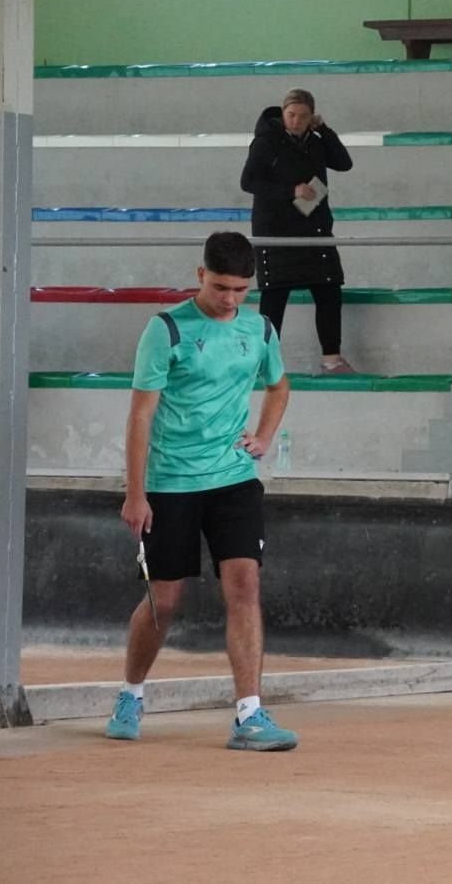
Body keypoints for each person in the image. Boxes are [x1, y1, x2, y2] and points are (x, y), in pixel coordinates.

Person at [106, 231, 298, 751]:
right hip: (170, 483)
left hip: (234, 478)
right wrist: (136, 494)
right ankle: (131, 693)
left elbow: (279, 385)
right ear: (200, 276)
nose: (230, 299)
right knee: (165, 600)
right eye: (221, 287)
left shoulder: (260, 328)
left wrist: (264, 437)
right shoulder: (165, 330)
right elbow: (140, 415)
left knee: (245, 584)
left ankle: (249, 714)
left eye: (240, 289)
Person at [240, 87, 356, 374]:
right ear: (283, 113)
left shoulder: (316, 142)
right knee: (274, 298)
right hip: (276, 232)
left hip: (314, 229)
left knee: (329, 291)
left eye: (303, 116)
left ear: (311, 116)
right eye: (291, 115)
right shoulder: (265, 143)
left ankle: (332, 359)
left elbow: (344, 163)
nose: (296, 121)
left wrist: (324, 130)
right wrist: (291, 190)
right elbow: (249, 182)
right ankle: (264, 362)